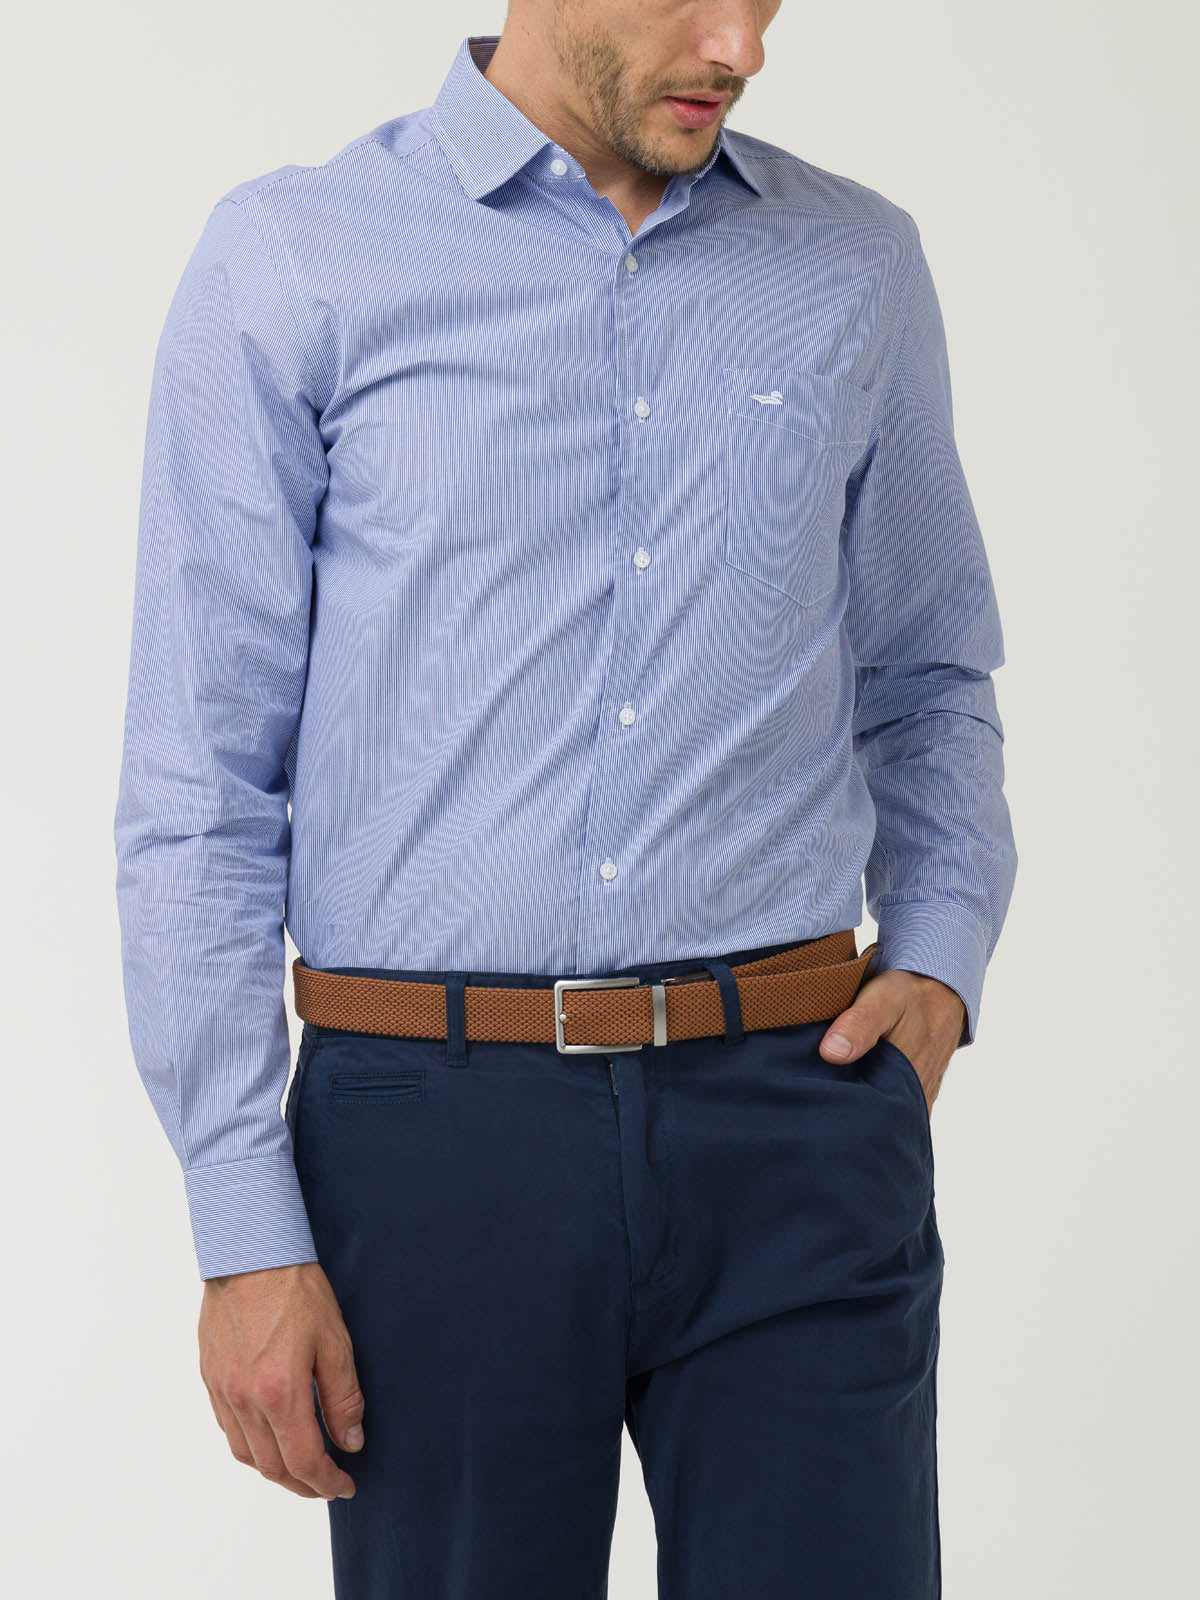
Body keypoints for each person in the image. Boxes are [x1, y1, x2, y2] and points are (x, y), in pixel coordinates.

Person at [113, 5, 1017, 1595]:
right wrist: (244, 1224)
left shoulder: (855, 264)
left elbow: (930, 671)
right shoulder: (296, 259)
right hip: (431, 1135)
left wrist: (939, 956)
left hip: (795, 1117)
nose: (739, 46)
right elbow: (201, 776)